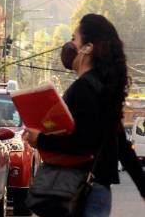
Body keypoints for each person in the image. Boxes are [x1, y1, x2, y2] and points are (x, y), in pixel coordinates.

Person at [23, 14, 145, 217]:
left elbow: (83, 143)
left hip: (77, 191)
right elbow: (120, 143)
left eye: (74, 38)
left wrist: (40, 139)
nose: (69, 44)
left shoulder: (83, 89)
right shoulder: (103, 89)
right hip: (96, 190)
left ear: (87, 48)